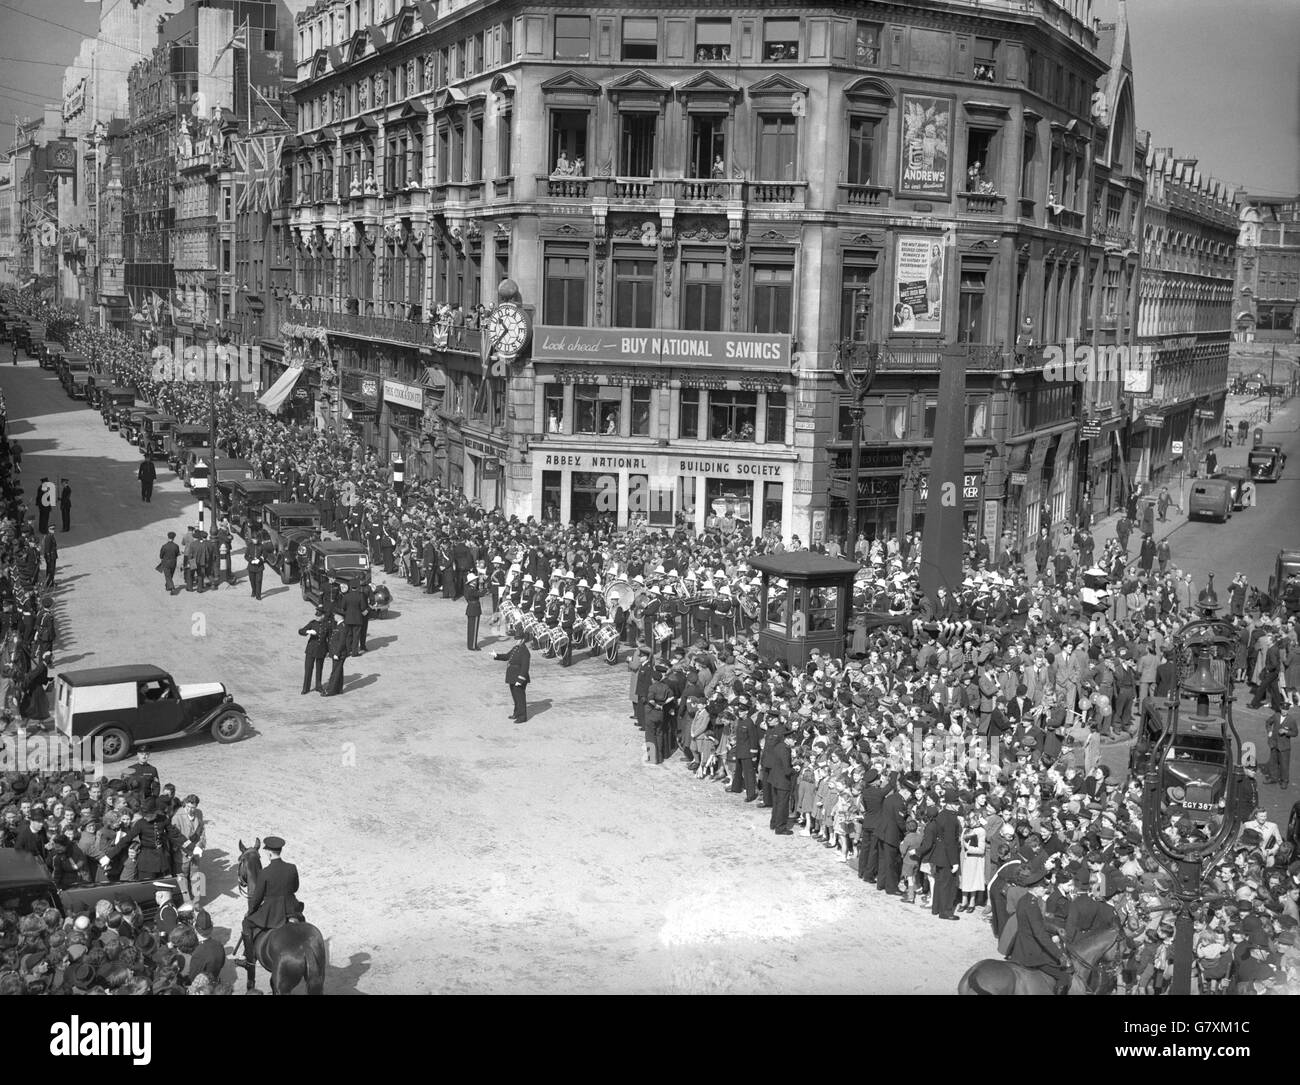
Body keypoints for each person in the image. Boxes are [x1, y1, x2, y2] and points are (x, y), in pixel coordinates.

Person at [237, 836, 302, 973]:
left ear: (269, 853)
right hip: (291, 907)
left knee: (246, 923)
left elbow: (257, 898)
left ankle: (249, 961)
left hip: (272, 912)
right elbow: (295, 888)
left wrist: (250, 911)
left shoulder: (264, 873)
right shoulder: (292, 867)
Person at [1007, 873, 1071, 994]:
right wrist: (1059, 955)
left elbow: (1038, 922)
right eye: (1043, 887)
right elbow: (1039, 934)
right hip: (1032, 951)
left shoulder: (1025, 899)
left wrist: (1055, 929)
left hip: (1021, 945)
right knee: (1064, 977)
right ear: (1036, 888)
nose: (1045, 890)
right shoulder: (1032, 905)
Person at [494, 629, 530, 722]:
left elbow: (525, 667)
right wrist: (496, 655)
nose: (516, 641)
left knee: (520, 697)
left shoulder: (525, 651)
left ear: (522, 640)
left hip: (518, 677)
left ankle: (522, 716)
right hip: (512, 676)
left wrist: (520, 680)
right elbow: (507, 656)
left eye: (518, 639)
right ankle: (517, 713)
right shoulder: (516, 648)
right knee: (515, 697)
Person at [187, 908, 226, 986]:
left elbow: (192, 978)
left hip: (203, 988)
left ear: (195, 929)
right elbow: (222, 964)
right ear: (211, 928)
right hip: (215, 981)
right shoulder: (219, 945)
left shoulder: (198, 953)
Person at [299, 607, 329, 694]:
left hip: (321, 649)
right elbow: (301, 631)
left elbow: (329, 639)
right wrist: (308, 631)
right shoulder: (312, 623)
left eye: (319, 616)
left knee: (319, 669)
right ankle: (306, 688)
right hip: (311, 650)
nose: (317, 617)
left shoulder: (327, 624)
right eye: (316, 616)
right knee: (308, 669)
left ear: (323, 616)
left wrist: (328, 651)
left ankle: (318, 686)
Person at [322, 612, 348, 696]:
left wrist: (337, 653)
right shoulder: (339, 625)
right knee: (339, 671)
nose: (334, 616)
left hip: (339, 653)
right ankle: (338, 689)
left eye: (335, 615)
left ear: (339, 616)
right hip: (336, 652)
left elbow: (342, 641)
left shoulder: (343, 626)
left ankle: (330, 690)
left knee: (335, 672)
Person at [464, 571, 483, 651]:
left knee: (471, 628)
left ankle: (471, 644)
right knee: (474, 628)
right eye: (474, 580)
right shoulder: (471, 589)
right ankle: (472, 646)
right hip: (474, 609)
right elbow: (480, 594)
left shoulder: (469, 588)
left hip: (471, 608)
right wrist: (485, 588)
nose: (476, 582)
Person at [245, 532, 266, 600]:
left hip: (259, 567)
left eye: (256, 539)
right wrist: (251, 560)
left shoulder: (261, 546)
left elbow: (265, 555)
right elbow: (246, 556)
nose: (255, 540)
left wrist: (260, 560)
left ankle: (258, 595)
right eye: (254, 539)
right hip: (251, 566)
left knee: (259, 581)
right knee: (252, 580)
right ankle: (254, 591)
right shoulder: (249, 546)